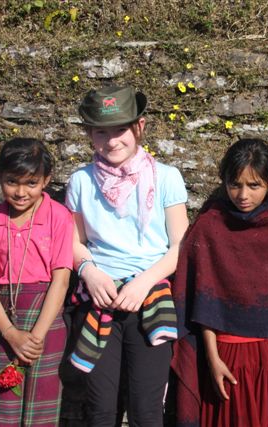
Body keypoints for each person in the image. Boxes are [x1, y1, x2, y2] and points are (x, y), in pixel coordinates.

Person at [172, 138, 268, 427]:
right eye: (235, 184)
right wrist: (212, 359)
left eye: (253, 185)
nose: (243, 195)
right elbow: (203, 300)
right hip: (226, 357)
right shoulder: (210, 225)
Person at [66, 84, 189, 426]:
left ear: (140, 127)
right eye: (101, 131)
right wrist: (89, 271)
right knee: (99, 409)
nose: (112, 140)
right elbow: (75, 243)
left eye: (121, 129)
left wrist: (143, 283)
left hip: (150, 300)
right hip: (99, 300)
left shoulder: (166, 178)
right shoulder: (80, 181)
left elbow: (179, 245)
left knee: (146, 409)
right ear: (90, 135)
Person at [0, 137, 73, 425]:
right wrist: (10, 333)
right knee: (4, 402)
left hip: (47, 318)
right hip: (5, 321)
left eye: (31, 183)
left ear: (46, 181)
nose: (20, 192)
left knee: (42, 406)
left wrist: (36, 337)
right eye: (12, 182)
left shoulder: (59, 217)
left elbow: (61, 281)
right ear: (0, 179)